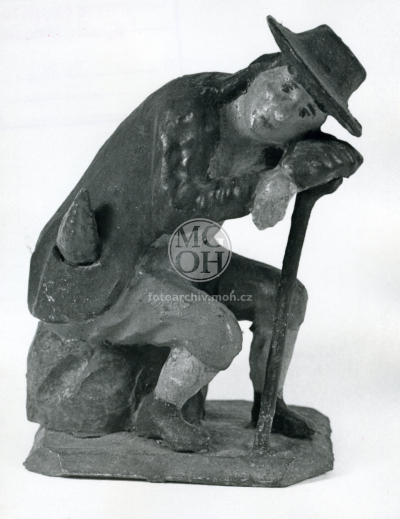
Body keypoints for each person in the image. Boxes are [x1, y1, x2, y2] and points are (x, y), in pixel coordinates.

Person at [27, 17, 365, 452]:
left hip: (182, 258)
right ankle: (160, 410)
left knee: (286, 299)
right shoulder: (188, 106)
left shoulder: (280, 148)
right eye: (284, 87)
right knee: (217, 333)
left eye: (304, 112)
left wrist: (289, 175)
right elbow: (178, 202)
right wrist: (264, 186)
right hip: (111, 268)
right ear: (262, 69)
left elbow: (345, 155)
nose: (282, 112)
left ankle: (269, 404)